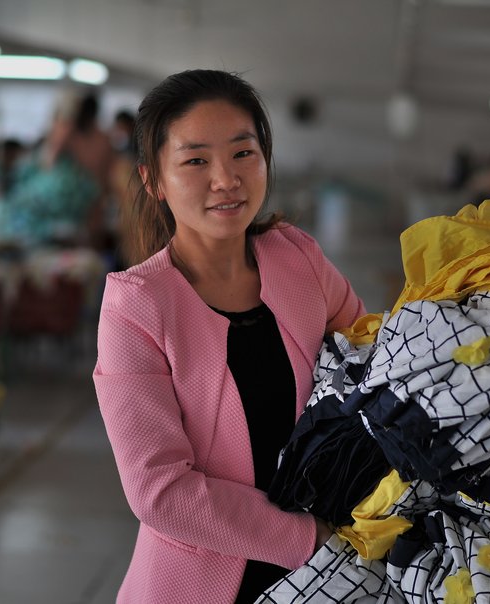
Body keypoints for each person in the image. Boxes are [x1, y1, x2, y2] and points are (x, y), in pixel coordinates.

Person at [92, 70, 365, 604]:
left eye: (243, 153)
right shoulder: (137, 306)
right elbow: (161, 492)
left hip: (329, 581)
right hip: (203, 581)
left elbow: (381, 365)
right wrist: (310, 538)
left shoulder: (298, 258)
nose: (226, 179)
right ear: (154, 181)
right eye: (196, 161)